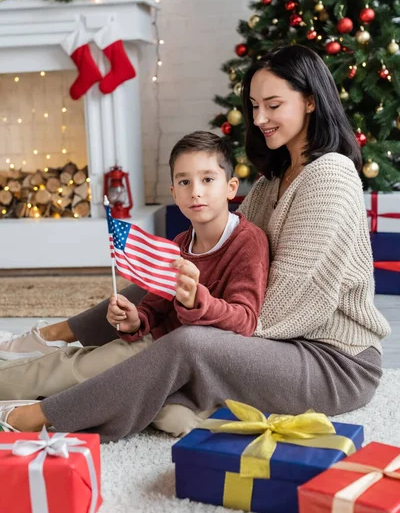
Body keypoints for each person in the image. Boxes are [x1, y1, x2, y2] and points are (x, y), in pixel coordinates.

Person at [0, 44, 391, 442]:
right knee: (164, 280)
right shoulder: (275, 179)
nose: (259, 119)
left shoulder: (330, 176)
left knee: (188, 343)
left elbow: (276, 311)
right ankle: (53, 337)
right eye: (254, 105)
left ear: (310, 101)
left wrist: (186, 313)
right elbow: (227, 262)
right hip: (279, 346)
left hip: (332, 361)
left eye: (273, 105)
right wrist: (171, 295)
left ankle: (40, 417)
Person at [0, 131, 269, 434]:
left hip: (199, 365)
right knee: (78, 368)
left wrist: (198, 301)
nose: (196, 191)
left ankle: (92, 399)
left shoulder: (248, 242)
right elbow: (154, 306)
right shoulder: (179, 244)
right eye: (184, 182)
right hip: (155, 350)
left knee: (174, 420)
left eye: (207, 180)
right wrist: (134, 320)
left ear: (231, 187)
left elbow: (246, 320)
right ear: (173, 192)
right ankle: (10, 385)